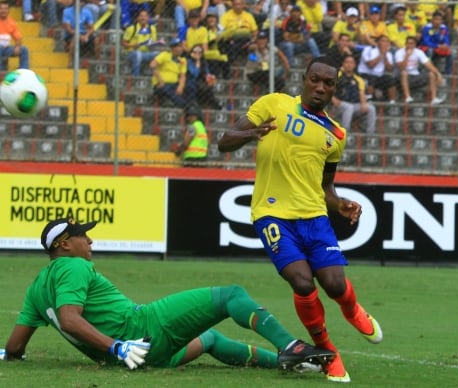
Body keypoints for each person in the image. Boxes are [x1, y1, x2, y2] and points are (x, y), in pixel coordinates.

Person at [217, 56, 383, 383]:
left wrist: (339, 205)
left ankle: (352, 311)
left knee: (335, 284)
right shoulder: (274, 103)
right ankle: (327, 351)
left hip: (314, 215)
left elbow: (326, 187)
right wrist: (253, 133)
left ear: (335, 88)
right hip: (272, 213)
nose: (320, 87)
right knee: (303, 281)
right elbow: (224, 142)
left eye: (328, 83)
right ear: (304, 79)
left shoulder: (336, 134)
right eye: (315, 80)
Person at [1, 218, 336, 372]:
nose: (89, 241)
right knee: (229, 295)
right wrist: (117, 345)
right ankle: (291, 347)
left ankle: (284, 363)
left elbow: (15, 348)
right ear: (63, 245)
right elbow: (70, 319)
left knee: (211, 338)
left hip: (139, 356)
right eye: (82, 236)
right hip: (143, 331)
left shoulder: (35, 289)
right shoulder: (72, 267)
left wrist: (8, 356)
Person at [332, 55, 377, 133]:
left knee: (371, 108)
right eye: (347, 62)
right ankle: (345, 133)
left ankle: (370, 133)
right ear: (343, 64)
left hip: (353, 105)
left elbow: (361, 93)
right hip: (337, 106)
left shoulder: (358, 79)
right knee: (349, 107)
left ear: (354, 65)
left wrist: (363, 103)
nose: (349, 64)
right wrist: (333, 99)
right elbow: (328, 87)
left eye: (351, 62)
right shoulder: (337, 75)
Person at [395, 36, 444, 105]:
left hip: (416, 75)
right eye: (408, 43)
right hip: (403, 77)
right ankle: (408, 97)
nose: (410, 45)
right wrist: (406, 56)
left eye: (412, 44)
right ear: (405, 44)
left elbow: (428, 65)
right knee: (404, 73)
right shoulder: (399, 52)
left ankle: (434, 98)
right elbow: (401, 68)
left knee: (431, 74)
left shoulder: (418, 52)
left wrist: (438, 73)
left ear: (415, 45)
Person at [357, 35, 398, 103]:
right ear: (378, 42)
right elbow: (370, 65)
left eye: (387, 41)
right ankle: (370, 100)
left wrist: (385, 57)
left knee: (390, 79)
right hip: (365, 74)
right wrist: (381, 54)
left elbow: (389, 69)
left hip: (379, 76)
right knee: (371, 78)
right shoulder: (368, 50)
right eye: (383, 41)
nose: (385, 43)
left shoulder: (388, 54)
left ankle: (392, 102)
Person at [122, 9, 162, 77]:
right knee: (138, 54)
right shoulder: (131, 28)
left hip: (146, 53)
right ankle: (136, 78)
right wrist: (132, 45)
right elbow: (123, 44)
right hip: (132, 53)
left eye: (145, 16)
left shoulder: (152, 28)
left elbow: (153, 42)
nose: (143, 18)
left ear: (148, 18)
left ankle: (155, 77)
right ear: (137, 18)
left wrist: (154, 43)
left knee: (159, 54)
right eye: (141, 16)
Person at [150, 38, 187, 108]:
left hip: (174, 85)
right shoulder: (165, 55)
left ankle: (171, 101)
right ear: (172, 48)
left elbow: (183, 76)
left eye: (180, 46)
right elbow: (152, 65)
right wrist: (160, 81)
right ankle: (182, 104)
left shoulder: (183, 60)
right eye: (177, 47)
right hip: (161, 84)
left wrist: (181, 86)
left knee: (187, 87)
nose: (179, 49)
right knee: (166, 88)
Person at [184, 44, 223, 109]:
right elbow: (194, 73)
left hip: (201, 81)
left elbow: (207, 73)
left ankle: (213, 104)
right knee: (197, 86)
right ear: (191, 53)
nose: (197, 54)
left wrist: (210, 77)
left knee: (208, 87)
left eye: (199, 52)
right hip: (191, 81)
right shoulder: (188, 61)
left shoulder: (204, 62)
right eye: (195, 52)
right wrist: (197, 62)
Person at [0, 2, 29, 71]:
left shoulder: (12, 23)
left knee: (24, 50)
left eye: (6, 9)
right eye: (1, 9)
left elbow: (18, 38)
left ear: (9, 10)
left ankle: (23, 72)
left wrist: (17, 46)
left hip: (6, 49)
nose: (3, 11)